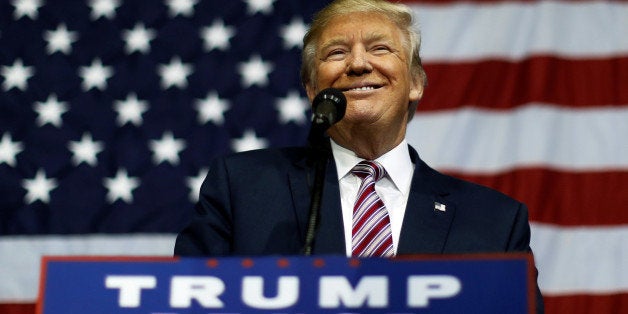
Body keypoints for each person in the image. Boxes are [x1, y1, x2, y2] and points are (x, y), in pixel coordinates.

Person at [175, 0, 543, 312]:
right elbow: (184, 303)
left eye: (380, 49)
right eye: (337, 52)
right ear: (312, 89)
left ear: (415, 82)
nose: (358, 64)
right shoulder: (243, 188)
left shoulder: (494, 221)